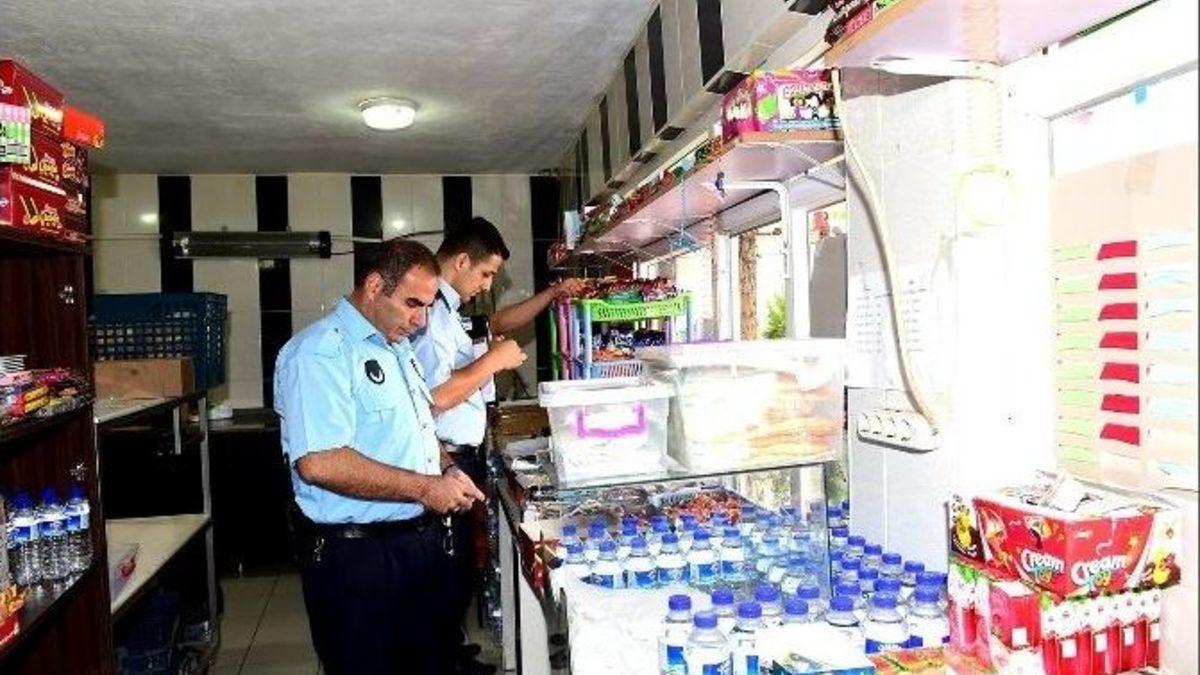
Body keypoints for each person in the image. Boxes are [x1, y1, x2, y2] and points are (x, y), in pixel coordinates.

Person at [274, 238, 485, 675]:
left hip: (416, 545)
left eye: (427, 306)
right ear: (373, 287)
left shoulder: (396, 347)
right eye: (412, 304)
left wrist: (447, 468)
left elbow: (416, 427)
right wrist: (426, 488)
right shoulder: (320, 352)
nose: (420, 320)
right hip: (357, 559)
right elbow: (319, 462)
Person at [411, 217, 584, 671]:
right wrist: (492, 362)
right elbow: (433, 398)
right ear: (461, 261)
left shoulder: (449, 310)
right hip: (444, 455)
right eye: (485, 274)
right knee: (446, 571)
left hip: (460, 452)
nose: (487, 286)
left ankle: (451, 652)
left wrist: (551, 295)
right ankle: (444, 661)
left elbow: (496, 323)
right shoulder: (431, 314)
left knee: (457, 569)